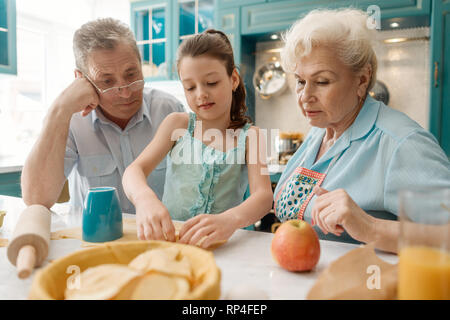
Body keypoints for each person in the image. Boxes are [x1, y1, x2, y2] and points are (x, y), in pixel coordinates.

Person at [274, 8, 450, 253]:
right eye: (301, 81)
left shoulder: (401, 144)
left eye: (322, 81)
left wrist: (370, 227)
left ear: (362, 80)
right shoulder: (321, 131)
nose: (305, 96)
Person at [123, 29, 273, 248]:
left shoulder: (252, 136)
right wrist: (144, 198)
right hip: (172, 243)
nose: (200, 94)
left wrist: (230, 220)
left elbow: (263, 197)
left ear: (233, 79)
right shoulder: (177, 125)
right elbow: (133, 171)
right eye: (190, 87)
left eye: (211, 83)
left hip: (227, 247)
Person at [21, 18, 185, 214]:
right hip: (94, 239)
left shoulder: (169, 110)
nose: (125, 92)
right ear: (81, 79)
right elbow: (37, 198)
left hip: (161, 239)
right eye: (107, 81)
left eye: (131, 74)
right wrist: (59, 110)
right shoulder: (71, 121)